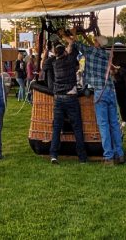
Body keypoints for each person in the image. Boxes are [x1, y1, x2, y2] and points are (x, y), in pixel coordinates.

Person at [80, 33, 124, 165]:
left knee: (104, 125)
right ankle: (120, 154)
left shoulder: (90, 51)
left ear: (97, 43)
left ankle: (108, 156)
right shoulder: (107, 55)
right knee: (114, 124)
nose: (93, 42)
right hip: (111, 90)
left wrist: (73, 33)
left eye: (95, 41)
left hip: (100, 92)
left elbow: (75, 43)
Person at [43, 34, 86, 164]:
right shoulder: (71, 59)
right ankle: (82, 157)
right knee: (77, 127)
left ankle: (54, 155)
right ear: (65, 51)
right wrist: (68, 37)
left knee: (56, 127)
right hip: (71, 96)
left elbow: (44, 65)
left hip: (58, 98)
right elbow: (77, 49)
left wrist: (47, 51)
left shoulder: (53, 62)